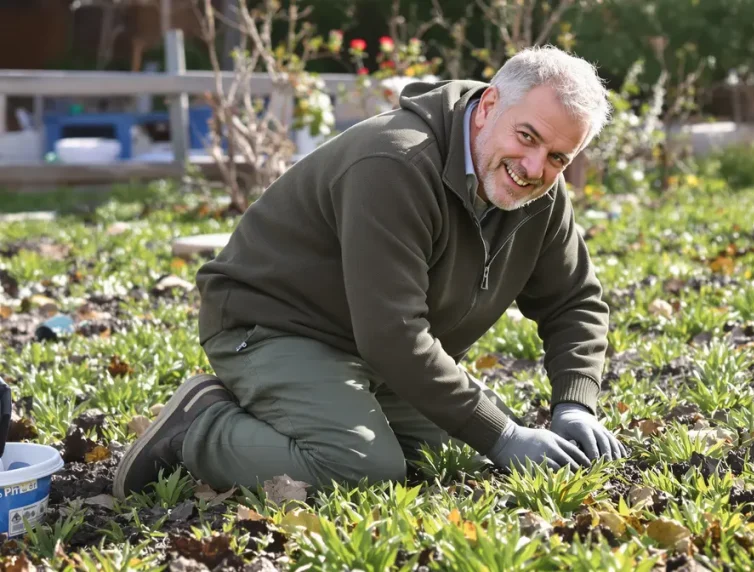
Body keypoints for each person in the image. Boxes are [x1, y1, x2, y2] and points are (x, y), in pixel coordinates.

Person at [113, 45, 628, 500]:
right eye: (527, 136)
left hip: (373, 349)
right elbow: (393, 333)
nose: (535, 167)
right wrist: (505, 434)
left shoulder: (540, 194)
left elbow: (573, 301)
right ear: (489, 105)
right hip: (274, 325)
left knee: (457, 458)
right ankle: (199, 427)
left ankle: (318, 412)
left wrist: (575, 404)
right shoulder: (395, 164)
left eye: (558, 157)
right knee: (364, 470)